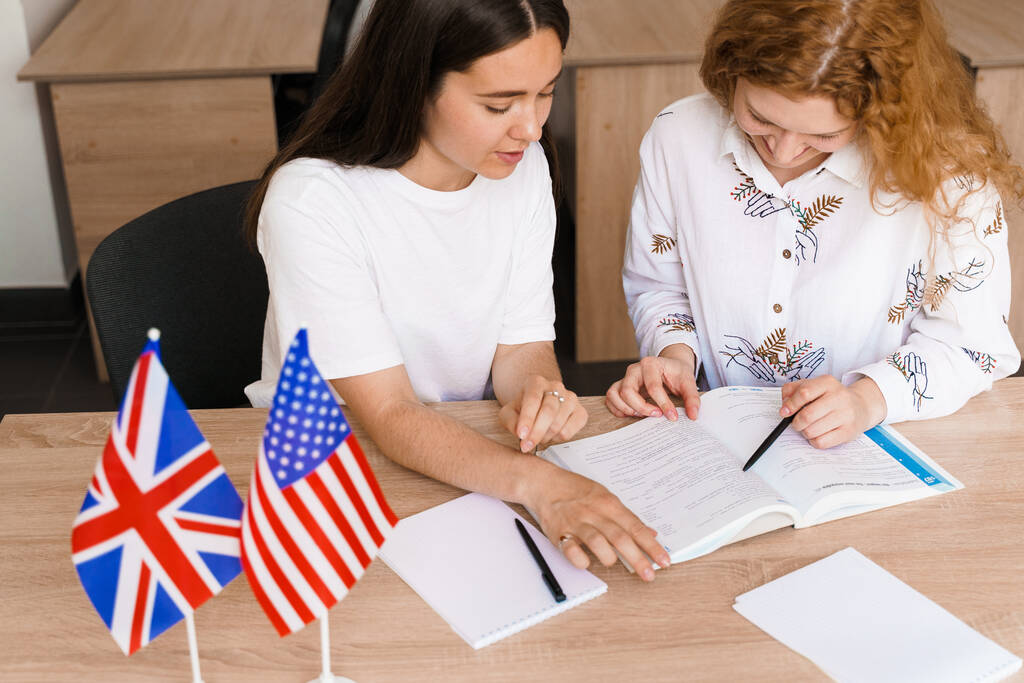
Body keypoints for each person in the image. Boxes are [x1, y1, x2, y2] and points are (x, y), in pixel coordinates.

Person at [244, 0, 671, 580]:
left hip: (467, 452)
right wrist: (545, 486)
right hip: (338, 465)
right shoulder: (314, 202)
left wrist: (536, 391)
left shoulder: (522, 167)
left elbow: (520, 344)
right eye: (499, 105)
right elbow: (391, 413)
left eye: (546, 91)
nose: (531, 127)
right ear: (414, 83)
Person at [608, 0, 1022, 448]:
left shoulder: (949, 175)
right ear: (730, 70)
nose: (782, 152)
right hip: (712, 445)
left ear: (882, 106)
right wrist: (675, 356)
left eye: (823, 136)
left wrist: (867, 399)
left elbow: (972, 346)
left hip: (882, 446)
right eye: (760, 118)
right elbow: (660, 285)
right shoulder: (679, 137)